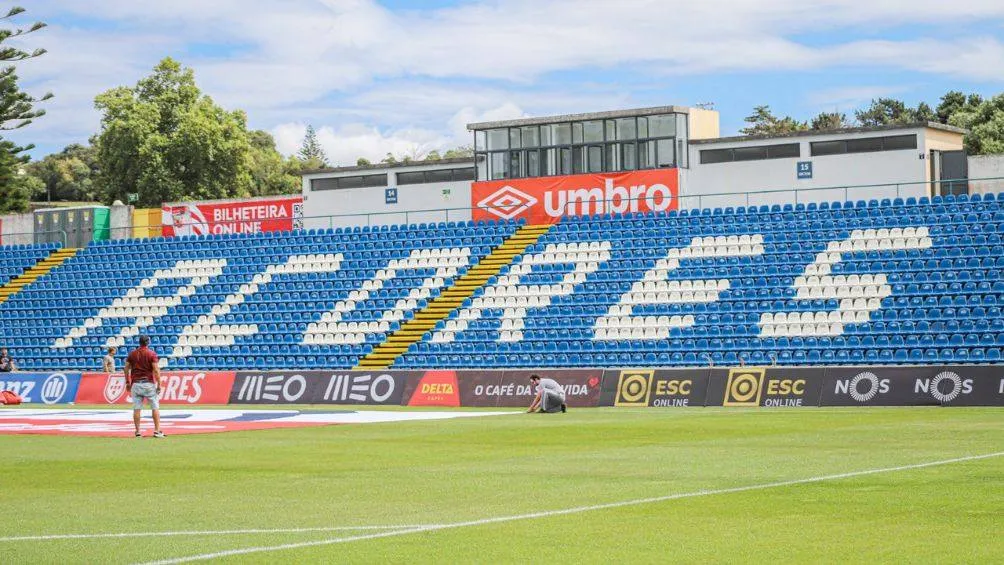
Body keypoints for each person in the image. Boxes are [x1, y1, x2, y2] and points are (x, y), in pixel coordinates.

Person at [124, 335, 164, 438]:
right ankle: (157, 430)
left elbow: (126, 368)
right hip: (148, 383)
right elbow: (156, 370)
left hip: (135, 383)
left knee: (137, 408)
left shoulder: (132, 354)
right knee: (155, 407)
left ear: (139, 342)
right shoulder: (151, 353)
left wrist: (127, 382)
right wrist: (159, 384)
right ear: (148, 342)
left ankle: (137, 432)